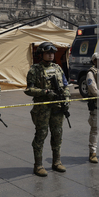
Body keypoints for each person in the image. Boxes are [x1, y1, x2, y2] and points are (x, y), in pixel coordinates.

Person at [25, 42, 71, 177]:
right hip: (42, 109)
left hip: (57, 107)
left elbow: (66, 85)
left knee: (57, 134)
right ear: (41, 54)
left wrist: (66, 99)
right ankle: (38, 165)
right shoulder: (34, 70)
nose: (51, 55)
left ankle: (56, 161)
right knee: (41, 135)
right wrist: (44, 92)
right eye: (47, 53)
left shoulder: (58, 68)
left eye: (52, 53)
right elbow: (29, 89)